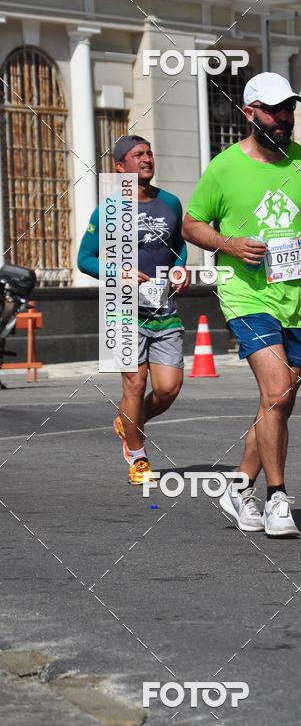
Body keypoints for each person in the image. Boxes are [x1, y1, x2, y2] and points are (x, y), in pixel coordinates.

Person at [182, 72, 301, 537]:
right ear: (250, 112)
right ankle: (277, 497)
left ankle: (238, 486)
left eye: (288, 109)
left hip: (296, 299)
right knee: (277, 390)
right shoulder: (224, 167)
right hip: (246, 294)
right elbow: (192, 225)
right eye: (274, 110)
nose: (283, 118)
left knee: (280, 402)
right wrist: (229, 244)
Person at [77, 135, 188, 484]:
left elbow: (179, 245)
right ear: (120, 167)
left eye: (150, 153)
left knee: (169, 388)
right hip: (122, 308)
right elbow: (85, 259)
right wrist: (118, 272)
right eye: (138, 154)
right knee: (134, 386)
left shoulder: (170, 202)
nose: (147, 158)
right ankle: (139, 459)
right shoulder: (109, 209)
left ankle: (128, 422)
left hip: (162, 306)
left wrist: (179, 268)